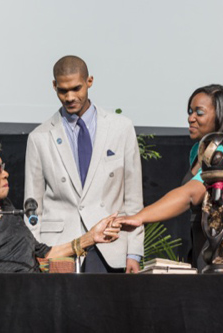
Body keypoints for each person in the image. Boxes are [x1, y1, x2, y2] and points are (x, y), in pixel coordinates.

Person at [118, 84, 223, 274]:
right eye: (190, 111)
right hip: (210, 245)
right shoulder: (198, 151)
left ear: (221, 117)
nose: (190, 118)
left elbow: (191, 195)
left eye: (199, 113)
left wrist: (139, 218)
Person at [0, 136, 120, 273]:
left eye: (4, 167)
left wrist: (91, 237)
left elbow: (44, 254)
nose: (5, 173)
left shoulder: (6, 207)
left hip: (29, 298)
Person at [24, 55, 144, 273]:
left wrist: (134, 253)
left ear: (90, 81)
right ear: (54, 86)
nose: (70, 97)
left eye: (76, 88)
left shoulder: (121, 128)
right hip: (59, 248)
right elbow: (33, 206)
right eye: (63, 90)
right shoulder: (39, 137)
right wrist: (35, 254)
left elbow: (133, 197)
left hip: (109, 246)